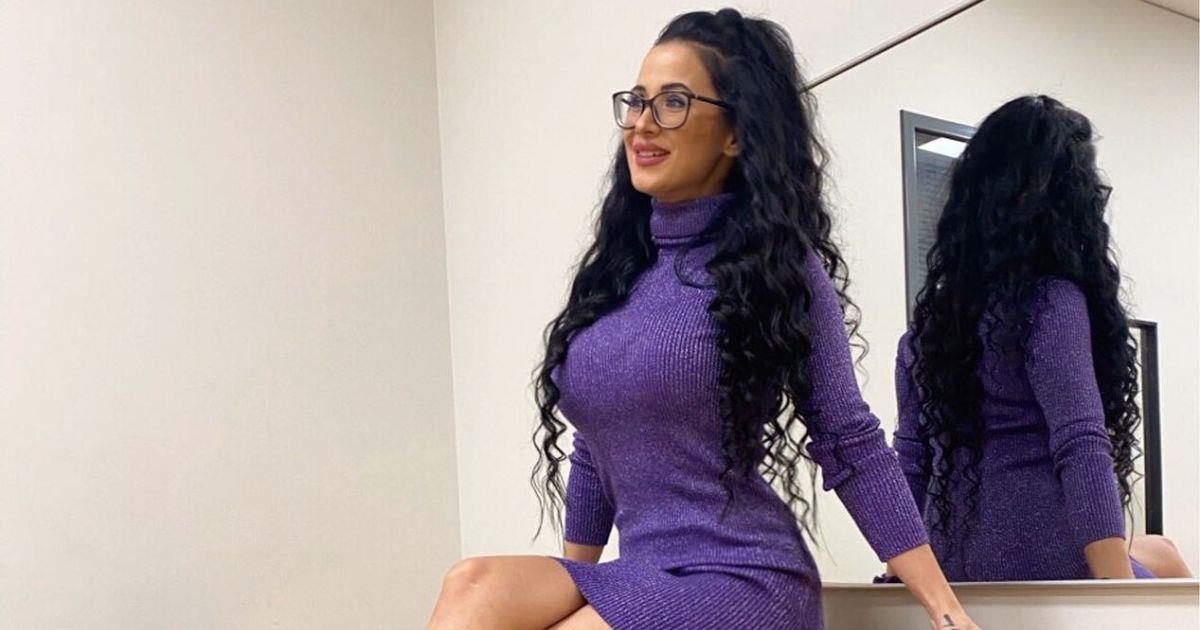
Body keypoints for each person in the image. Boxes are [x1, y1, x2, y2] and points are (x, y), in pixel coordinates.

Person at [430, 9, 979, 629]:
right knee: (470, 582)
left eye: (673, 103)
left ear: (735, 134)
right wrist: (574, 588)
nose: (642, 124)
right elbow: (594, 446)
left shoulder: (779, 268)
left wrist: (946, 611)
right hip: (645, 574)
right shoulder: (618, 271)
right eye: (637, 102)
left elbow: (848, 440)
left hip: (744, 578)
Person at [893, 94, 1194, 582]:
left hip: (950, 561)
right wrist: (1118, 593)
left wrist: (900, 576)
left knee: (1159, 547)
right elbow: (1081, 444)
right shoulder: (1049, 303)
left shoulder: (927, 329)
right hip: (1041, 558)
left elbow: (911, 461)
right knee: (1169, 565)